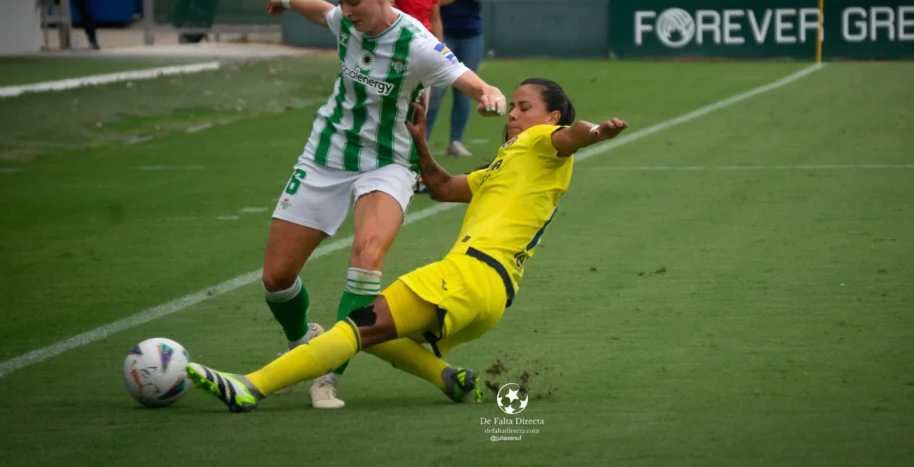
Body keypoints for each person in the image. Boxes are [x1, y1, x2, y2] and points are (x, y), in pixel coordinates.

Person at [184, 78, 630, 412]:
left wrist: (596, 132)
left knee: (357, 326)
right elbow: (443, 187)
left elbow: (572, 135)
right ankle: (447, 377)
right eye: (512, 106)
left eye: (524, 107)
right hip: (491, 296)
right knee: (372, 330)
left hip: (468, 274)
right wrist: (420, 144)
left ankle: (250, 387)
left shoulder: (541, 142)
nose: (512, 114)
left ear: (551, 117)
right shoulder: (509, 162)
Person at [259, 0, 506, 410]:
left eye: (354, 1)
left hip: (388, 162)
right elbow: (321, 12)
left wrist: (490, 95)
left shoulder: (416, 43)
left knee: (367, 255)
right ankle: (302, 339)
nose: (345, 10)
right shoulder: (346, 19)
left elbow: (468, 79)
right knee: (276, 278)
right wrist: (287, 0)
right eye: (342, 0)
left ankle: (326, 375)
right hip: (327, 153)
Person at [427, 0, 488, 159]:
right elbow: (437, 0)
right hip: (444, 37)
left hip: (471, 37)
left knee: (465, 91)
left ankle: (455, 142)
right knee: (436, 91)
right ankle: (423, 140)